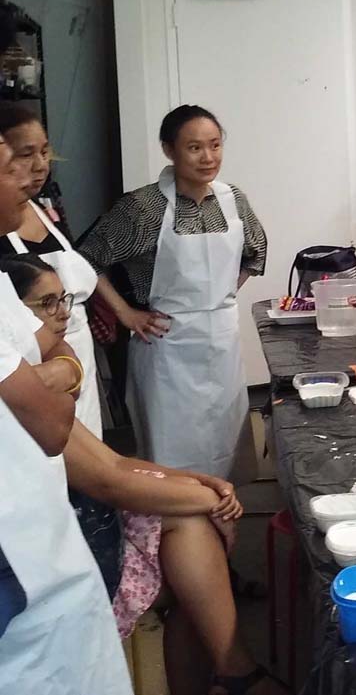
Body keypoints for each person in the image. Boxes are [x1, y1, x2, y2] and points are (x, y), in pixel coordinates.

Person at [1, 254, 287, 695]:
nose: (62, 315)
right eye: (46, 305)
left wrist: (198, 483)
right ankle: (237, 672)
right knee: (195, 548)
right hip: (49, 558)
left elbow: (114, 462)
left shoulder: (32, 376)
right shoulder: (23, 393)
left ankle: (234, 673)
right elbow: (108, 478)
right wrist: (212, 501)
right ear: (14, 318)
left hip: (72, 519)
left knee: (194, 540)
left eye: (64, 300)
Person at [0, 129, 131, 693]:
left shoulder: (42, 218)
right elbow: (52, 426)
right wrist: (55, 374)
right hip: (18, 533)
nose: (26, 173)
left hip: (39, 513)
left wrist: (61, 370)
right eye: (11, 163)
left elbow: (54, 354)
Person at [79, 105, 267, 480]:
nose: (208, 157)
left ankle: (223, 511)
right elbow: (86, 259)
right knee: (171, 451)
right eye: (194, 147)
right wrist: (125, 313)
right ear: (169, 150)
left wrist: (220, 298)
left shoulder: (232, 200)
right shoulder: (143, 208)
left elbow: (256, 252)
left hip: (222, 346)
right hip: (168, 349)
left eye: (215, 145)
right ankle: (171, 515)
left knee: (224, 443)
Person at [0, 103, 103, 437]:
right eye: (24, 155)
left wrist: (69, 367)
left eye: (45, 152)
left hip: (73, 346)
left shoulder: (45, 206)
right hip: (29, 364)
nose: (40, 165)